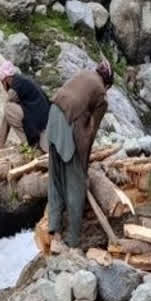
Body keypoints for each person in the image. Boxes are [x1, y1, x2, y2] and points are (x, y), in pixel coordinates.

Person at [46, 60, 113, 253]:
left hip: (53, 114)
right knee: (76, 184)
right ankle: (72, 241)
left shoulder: (85, 74)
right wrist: (83, 167)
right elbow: (90, 132)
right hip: (68, 122)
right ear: (107, 84)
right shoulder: (101, 94)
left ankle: (55, 232)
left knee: (56, 178)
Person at [0, 60, 51, 152]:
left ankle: (29, 145)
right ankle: (1, 145)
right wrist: (0, 143)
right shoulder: (22, 80)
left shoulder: (15, 88)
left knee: (8, 108)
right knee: (9, 110)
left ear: (5, 79)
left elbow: (7, 113)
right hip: (44, 118)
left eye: (2, 82)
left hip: (38, 122)